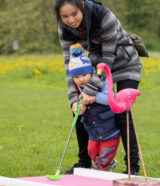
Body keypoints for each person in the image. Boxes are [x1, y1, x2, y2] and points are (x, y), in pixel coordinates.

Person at [54, 0, 142, 175]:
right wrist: (73, 99)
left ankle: (133, 167)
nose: (70, 20)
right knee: (80, 107)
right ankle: (84, 163)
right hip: (96, 68)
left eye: (74, 14)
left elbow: (108, 59)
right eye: (64, 16)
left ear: (82, 8)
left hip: (124, 64)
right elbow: (69, 66)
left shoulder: (104, 17)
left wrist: (90, 90)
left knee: (121, 111)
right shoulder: (64, 29)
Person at [69, 43, 120, 171]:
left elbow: (110, 99)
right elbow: (84, 106)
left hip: (109, 129)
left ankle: (99, 170)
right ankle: (109, 163)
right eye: (76, 77)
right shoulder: (78, 88)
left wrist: (93, 96)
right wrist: (80, 108)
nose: (80, 79)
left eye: (84, 75)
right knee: (91, 152)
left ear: (91, 73)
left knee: (103, 158)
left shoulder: (102, 82)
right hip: (93, 131)